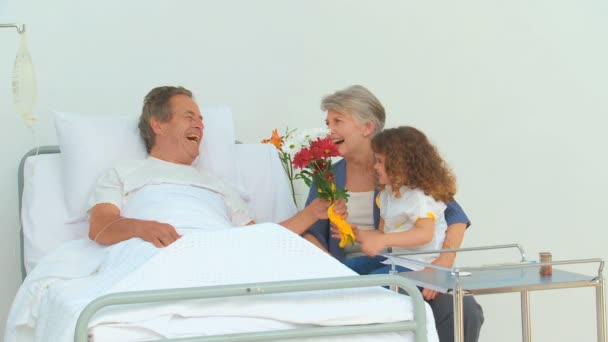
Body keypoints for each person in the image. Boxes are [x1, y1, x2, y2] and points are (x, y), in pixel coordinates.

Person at [303, 85, 484, 342]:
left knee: (462, 310)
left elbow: (454, 217)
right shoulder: (328, 177)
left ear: (367, 127)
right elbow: (313, 233)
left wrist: (442, 266)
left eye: (338, 121)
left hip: (413, 263)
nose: (329, 130)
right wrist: (332, 272)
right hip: (360, 266)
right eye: (327, 122)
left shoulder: (402, 172)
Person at [88, 86, 332, 247]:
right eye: (189, 117)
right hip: (157, 252)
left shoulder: (217, 185)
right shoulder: (124, 172)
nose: (199, 125)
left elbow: (258, 240)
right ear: (158, 125)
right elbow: (100, 227)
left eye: (201, 120)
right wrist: (142, 228)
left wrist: (311, 213)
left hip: (221, 253)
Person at [343, 126, 456, 278]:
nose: (375, 166)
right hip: (396, 260)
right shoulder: (387, 193)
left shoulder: (420, 196)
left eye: (380, 161)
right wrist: (356, 234)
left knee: (370, 285)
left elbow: (424, 234)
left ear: (400, 164)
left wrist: (383, 240)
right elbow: (382, 232)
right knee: (342, 269)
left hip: (421, 266)